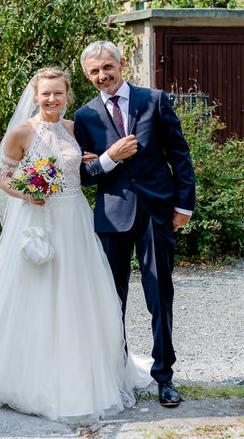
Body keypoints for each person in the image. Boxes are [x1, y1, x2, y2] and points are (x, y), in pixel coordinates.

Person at [0, 67, 152, 423]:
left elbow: (84, 172)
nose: (52, 99)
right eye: (46, 93)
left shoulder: (76, 130)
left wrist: (95, 159)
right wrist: (29, 192)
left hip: (75, 221)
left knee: (79, 293)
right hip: (39, 220)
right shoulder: (21, 132)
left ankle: (83, 373)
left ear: (67, 95)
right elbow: (4, 179)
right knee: (35, 294)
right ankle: (29, 375)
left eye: (58, 93)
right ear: (36, 96)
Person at [73, 41, 196, 408]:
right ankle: (117, 374)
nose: (102, 76)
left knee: (159, 297)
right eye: (94, 72)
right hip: (111, 217)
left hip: (157, 212)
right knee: (112, 302)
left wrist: (184, 206)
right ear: (86, 75)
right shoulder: (85, 116)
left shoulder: (154, 100)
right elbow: (84, 175)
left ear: (122, 64)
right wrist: (109, 158)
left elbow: (179, 154)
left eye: (107, 67)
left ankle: (165, 377)